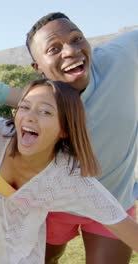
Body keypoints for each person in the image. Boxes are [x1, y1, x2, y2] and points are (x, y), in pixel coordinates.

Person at [0, 79, 138, 263]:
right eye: (24, 107)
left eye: (45, 111)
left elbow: (121, 223)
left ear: (64, 129)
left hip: (18, 253)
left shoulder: (67, 178)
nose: (30, 116)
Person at [25, 12, 138, 263]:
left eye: (77, 39)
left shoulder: (122, 56)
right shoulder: (36, 105)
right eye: (54, 48)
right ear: (38, 68)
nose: (70, 51)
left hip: (113, 200)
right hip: (54, 207)